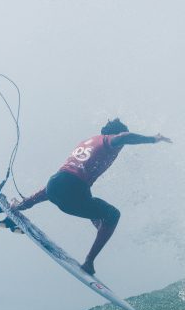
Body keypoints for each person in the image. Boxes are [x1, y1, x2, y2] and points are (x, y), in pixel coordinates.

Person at [12, 118, 172, 275]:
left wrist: (26, 203)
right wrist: (154, 139)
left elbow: (63, 181)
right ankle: (89, 261)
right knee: (113, 215)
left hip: (55, 184)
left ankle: (21, 205)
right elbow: (124, 137)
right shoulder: (110, 141)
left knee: (94, 210)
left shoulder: (88, 142)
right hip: (72, 189)